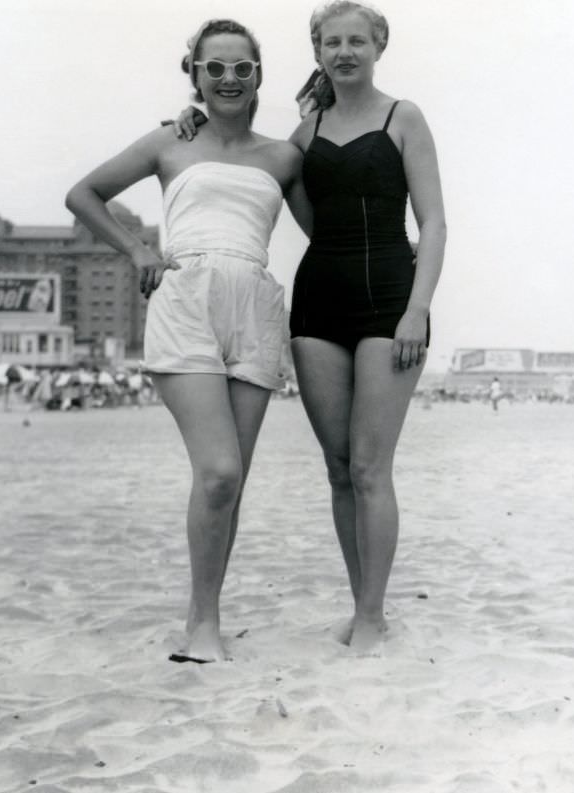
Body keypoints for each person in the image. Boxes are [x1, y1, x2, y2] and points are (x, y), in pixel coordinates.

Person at [172, 0, 446, 654]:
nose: (345, 51)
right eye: (332, 42)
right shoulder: (303, 133)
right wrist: (189, 121)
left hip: (391, 303)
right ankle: (360, 606)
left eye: (357, 40)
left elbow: (434, 222)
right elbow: (239, 150)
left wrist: (418, 306)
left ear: (379, 44)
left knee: (373, 467)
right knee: (339, 467)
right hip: (319, 304)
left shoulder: (402, 118)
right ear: (317, 52)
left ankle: (373, 618)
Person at [66, 19, 311, 663]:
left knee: (227, 485)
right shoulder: (171, 140)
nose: (229, 78)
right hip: (186, 298)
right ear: (195, 73)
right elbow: (84, 194)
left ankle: (207, 619)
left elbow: (327, 228)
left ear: (259, 77)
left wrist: (314, 124)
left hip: (255, 306)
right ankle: (201, 623)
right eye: (216, 67)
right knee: (220, 470)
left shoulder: (284, 156)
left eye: (243, 68)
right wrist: (137, 248)